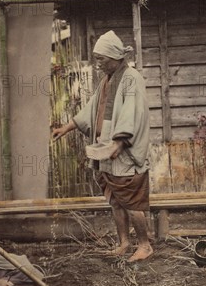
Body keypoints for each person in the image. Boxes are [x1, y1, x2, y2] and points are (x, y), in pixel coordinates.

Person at [52, 30, 153, 262]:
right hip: (105, 150)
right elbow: (91, 109)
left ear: (115, 57)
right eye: (97, 59)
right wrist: (67, 127)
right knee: (116, 201)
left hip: (123, 152)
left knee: (131, 201)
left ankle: (145, 245)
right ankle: (124, 242)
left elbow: (132, 112)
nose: (98, 64)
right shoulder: (107, 79)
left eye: (101, 59)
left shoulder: (131, 78)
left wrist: (118, 143)